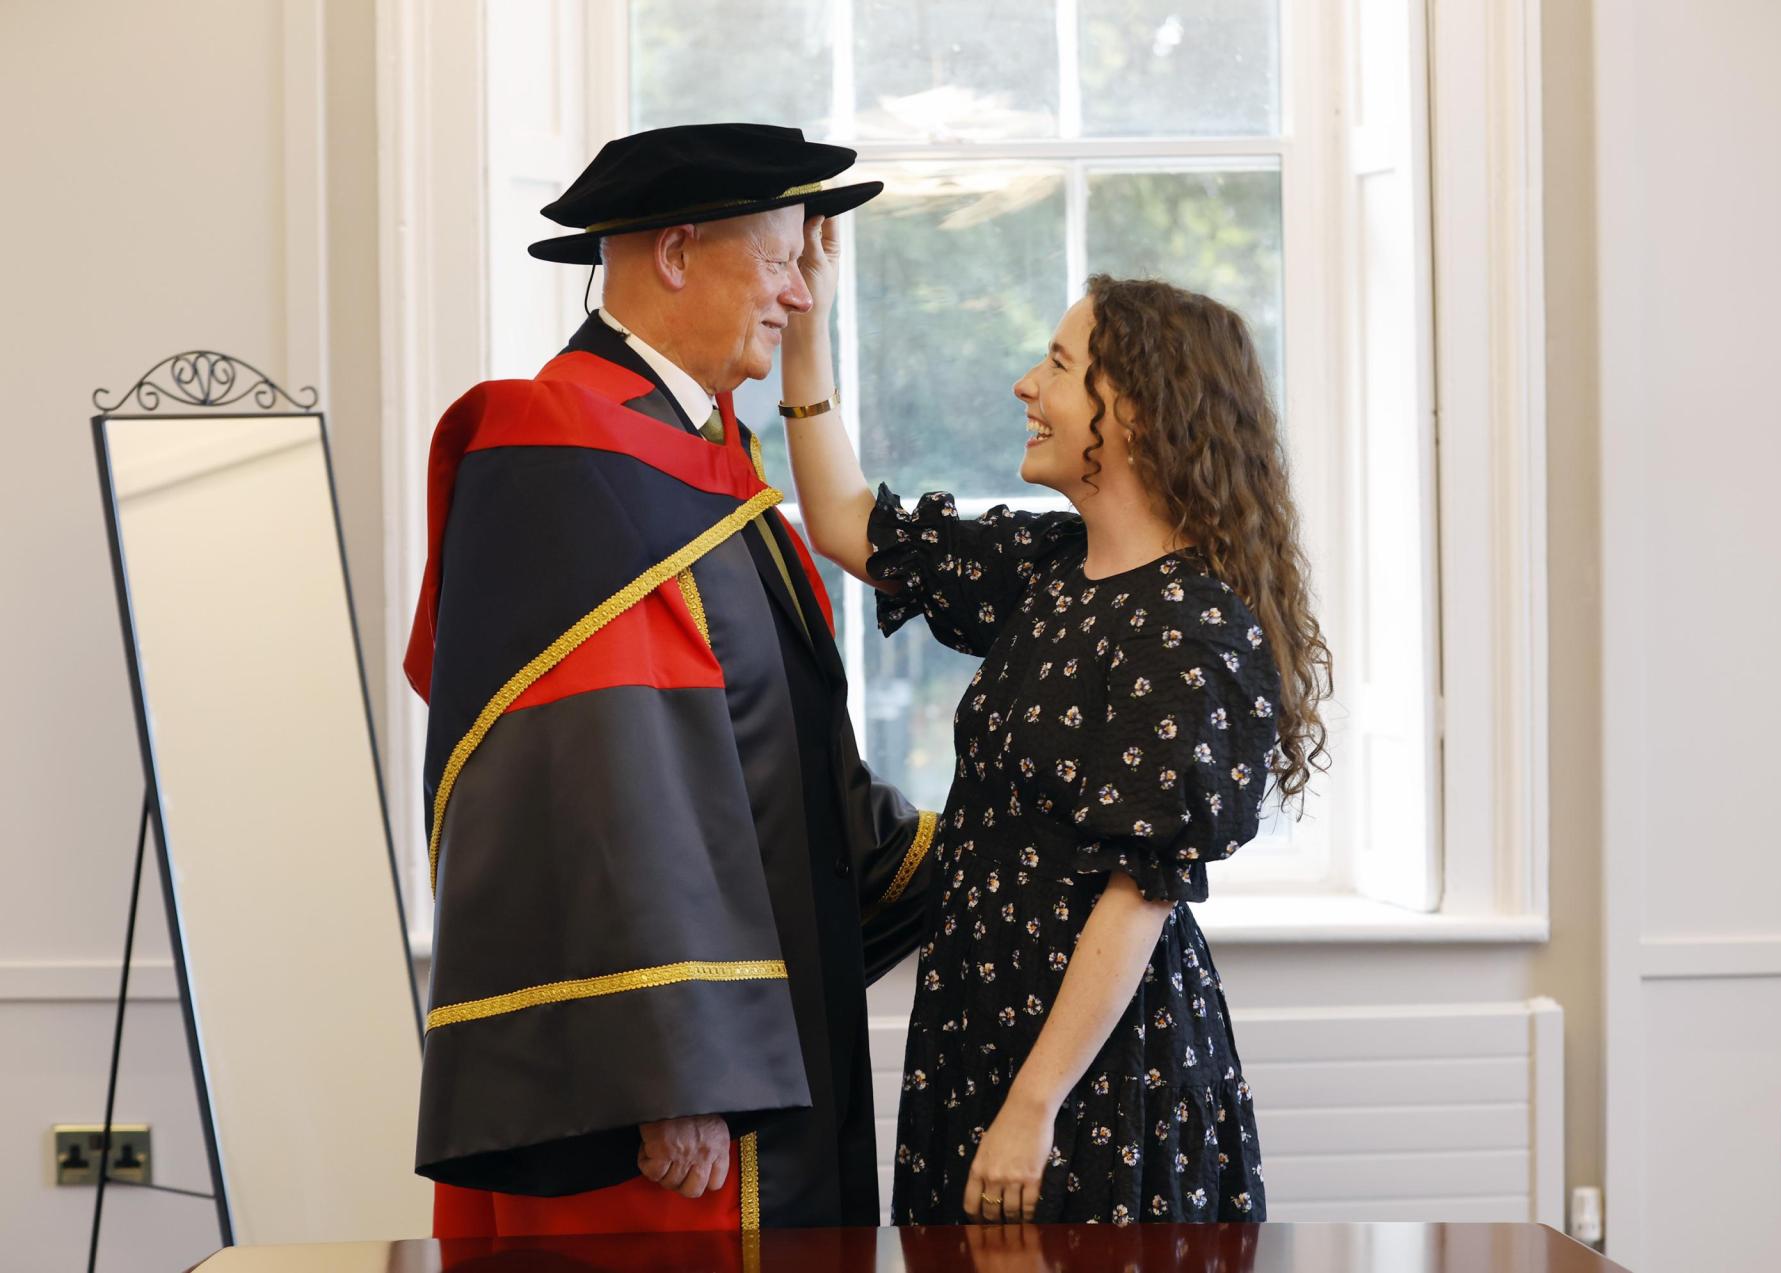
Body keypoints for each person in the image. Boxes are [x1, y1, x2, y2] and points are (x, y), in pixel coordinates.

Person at [403, 123, 939, 1238]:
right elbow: (596, 780)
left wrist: (1011, 842)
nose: (802, 295)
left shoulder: (696, 463)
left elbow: (780, 759)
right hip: (677, 1086)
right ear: (679, 253)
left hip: (758, 1043)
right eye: (785, 260)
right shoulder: (566, 457)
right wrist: (670, 1065)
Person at [781, 218, 1331, 1225]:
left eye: (1060, 365)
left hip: (1093, 1070)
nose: (1027, 386)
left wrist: (1034, 1105)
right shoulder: (1047, 567)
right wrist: (804, 338)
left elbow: (1140, 894)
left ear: (1133, 415)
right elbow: (848, 524)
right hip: (976, 1027)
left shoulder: (1196, 627)